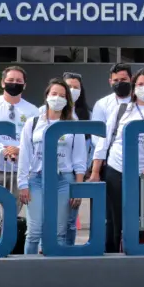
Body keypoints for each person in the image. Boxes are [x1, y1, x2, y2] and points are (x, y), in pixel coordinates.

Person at [90, 68, 144, 253]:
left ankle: (140, 260)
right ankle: (112, 260)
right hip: (117, 171)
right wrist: (95, 171)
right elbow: (104, 141)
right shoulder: (122, 110)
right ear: (134, 88)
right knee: (115, 220)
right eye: (140, 84)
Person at [17, 79, 87, 254]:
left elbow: (79, 159)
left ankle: (56, 271)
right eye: (54, 94)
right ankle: (28, 271)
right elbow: (25, 155)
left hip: (64, 180)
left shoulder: (73, 124)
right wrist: (22, 184)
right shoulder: (33, 123)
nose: (58, 98)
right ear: (47, 96)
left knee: (59, 233)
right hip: (37, 179)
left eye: (62, 95)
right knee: (34, 231)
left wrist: (77, 187)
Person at [0, 66, 37, 245]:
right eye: (10, 81)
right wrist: (2, 149)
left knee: (9, 218)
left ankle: (5, 253)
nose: (14, 84)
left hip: (19, 172)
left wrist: (19, 150)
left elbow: (34, 140)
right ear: (3, 82)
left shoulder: (32, 110)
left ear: (25, 85)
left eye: (19, 81)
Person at [62, 72, 92, 245]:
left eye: (76, 87)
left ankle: (69, 251)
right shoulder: (46, 112)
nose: (72, 90)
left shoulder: (87, 115)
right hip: (56, 170)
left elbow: (92, 144)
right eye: (69, 87)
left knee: (70, 220)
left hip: (77, 172)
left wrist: (85, 171)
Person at [90, 63, 133, 165]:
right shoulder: (102, 104)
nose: (119, 83)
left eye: (123, 80)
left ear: (131, 79)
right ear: (110, 82)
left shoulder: (139, 101)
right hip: (109, 158)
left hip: (135, 153)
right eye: (116, 80)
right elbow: (96, 134)